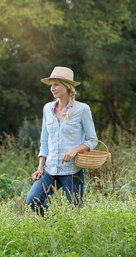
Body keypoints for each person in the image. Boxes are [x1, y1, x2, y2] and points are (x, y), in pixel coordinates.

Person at [26, 66, 97, 216]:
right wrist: (40, 167)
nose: (52, 88)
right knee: (32, 200)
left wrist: (74, 150)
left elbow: (92, 140)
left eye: (56, 84)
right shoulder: (47, 109)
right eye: (51, 85)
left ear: (67, 86)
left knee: (75, 212)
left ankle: (74, 235)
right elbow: (44, 140)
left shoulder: (82, 109)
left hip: (72, 170)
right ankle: (56, 224)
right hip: (50, 169)